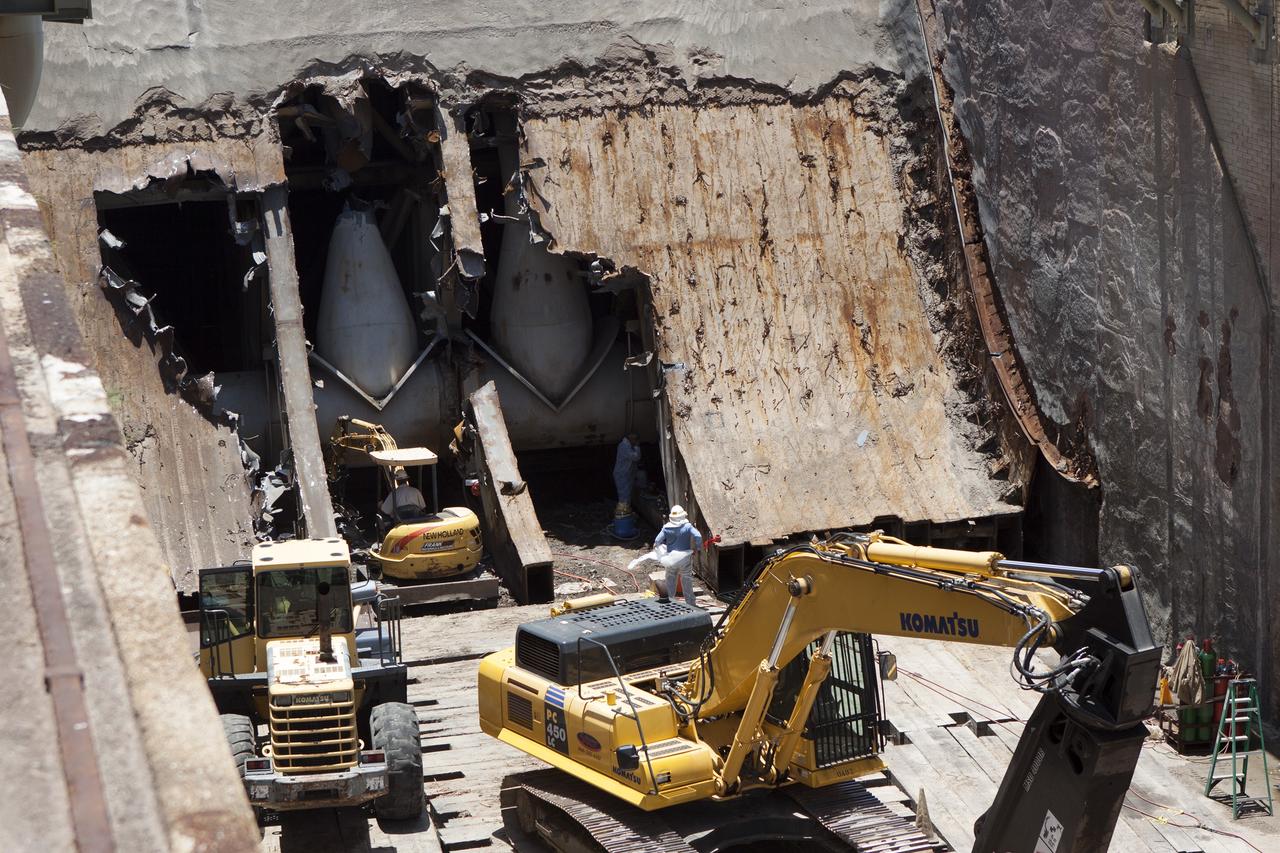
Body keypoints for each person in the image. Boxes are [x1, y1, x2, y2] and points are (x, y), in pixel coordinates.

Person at [653, 505, 702, 607]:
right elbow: (698, 536)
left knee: (670, 580)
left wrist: (658, 549)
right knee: (686, 580)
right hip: (685, 558)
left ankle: (669, 603)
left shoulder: (666, 528)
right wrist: (698, 548)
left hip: (671, 559)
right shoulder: (687, 526)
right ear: (683, 515)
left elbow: (657, 541)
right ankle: (691, 604)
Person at [612, 432, 642, 508]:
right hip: (621, 474)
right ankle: (623, 515)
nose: (636, 441)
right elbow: (636, 457)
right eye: (635, 439)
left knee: (626, 495)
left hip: (624, 473)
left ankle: (625, 513)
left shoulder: (626, 445)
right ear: (630, 439)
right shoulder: (624, 446)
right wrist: (637, 446)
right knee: (624, 497)